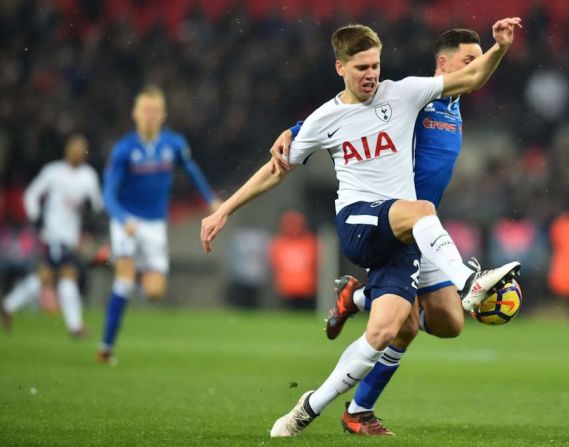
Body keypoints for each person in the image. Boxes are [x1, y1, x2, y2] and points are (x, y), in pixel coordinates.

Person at [200, 19, 522, 437]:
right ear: (340, 69)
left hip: (407, 230)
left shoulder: (403, 93)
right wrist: (225, 209)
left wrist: (500, 47)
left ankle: (309, 407)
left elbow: (476, 76)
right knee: (421, 210)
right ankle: (470, 283)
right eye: (361, 68)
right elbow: (277, 170)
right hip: (360, 220)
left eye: (375, 66)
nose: (371, 75)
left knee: (396, 328)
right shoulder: (326, 118)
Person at [269, 28, 498, 435]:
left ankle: (356, 297)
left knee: (449, 323)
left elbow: (477, 78)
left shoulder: (455, 106)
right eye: (469, 59)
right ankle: (357, 411)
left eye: (480, 58)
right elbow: (356, 110)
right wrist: (297, 127)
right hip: (399, 221)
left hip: (426, 227)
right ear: (443, 64)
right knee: (402, 326)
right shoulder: (421, 97)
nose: (476, 67)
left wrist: (501, 50)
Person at [97, 85, 220, 364]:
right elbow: (109, 193)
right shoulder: (124, 149)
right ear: (135, 113)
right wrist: (122, 218)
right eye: (145, 110)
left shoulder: (173, 145)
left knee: (154, 292)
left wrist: (210, 199)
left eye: (155, 111)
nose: (150, 116)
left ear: (163, 114)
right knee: (124, 284)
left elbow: (191, 170)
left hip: (154, 225)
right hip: (127, 220)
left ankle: (114, 256)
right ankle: (105, 348)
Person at [1, 134, 103, 337]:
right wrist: (36, 219)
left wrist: (91, 219)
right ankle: (75, 326)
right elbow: (31, 194)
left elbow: (97, 204)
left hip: (71, 237)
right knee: (67, 274)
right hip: (54, 235)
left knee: (46, 276)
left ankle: (7, 305)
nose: (77, 153)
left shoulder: (88, 176)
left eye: (81, 150)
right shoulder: (54, 172)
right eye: (74, 149)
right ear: (67, 151)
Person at [268, 211, 319, 310]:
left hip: (306, 289)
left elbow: (316, 263)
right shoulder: (279, 242)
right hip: (287, 289)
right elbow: (275, 264)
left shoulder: (309, 241)